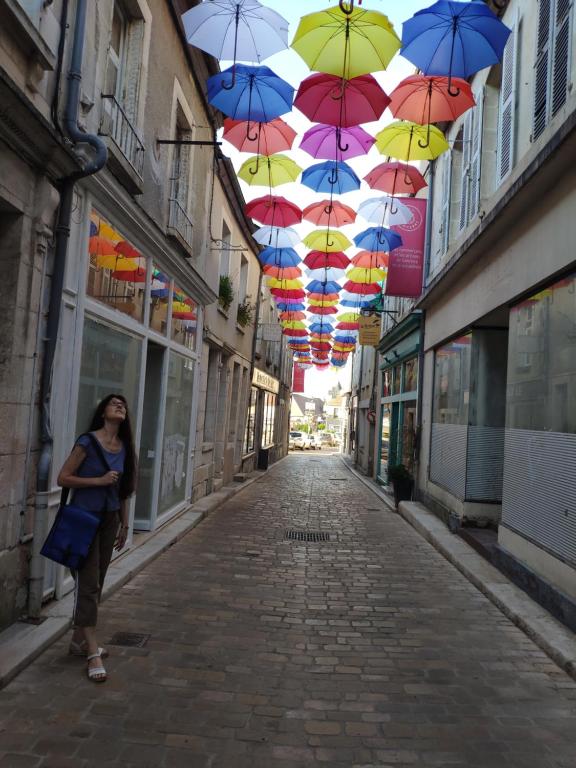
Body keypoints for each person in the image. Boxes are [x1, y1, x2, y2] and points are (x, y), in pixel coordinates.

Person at [57, 394, 137, 682]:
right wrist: (98, 481)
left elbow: (124, 489)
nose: (120, 406)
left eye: (123, 404)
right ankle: (92, 652)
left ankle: (78, 641)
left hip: (109, 520)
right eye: (114, 402)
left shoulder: (124, 447)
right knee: (88, 584)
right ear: (102, 411)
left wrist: (125, 524)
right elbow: (63, 478)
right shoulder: (87, 442)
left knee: (97, 581)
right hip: (84, 518)